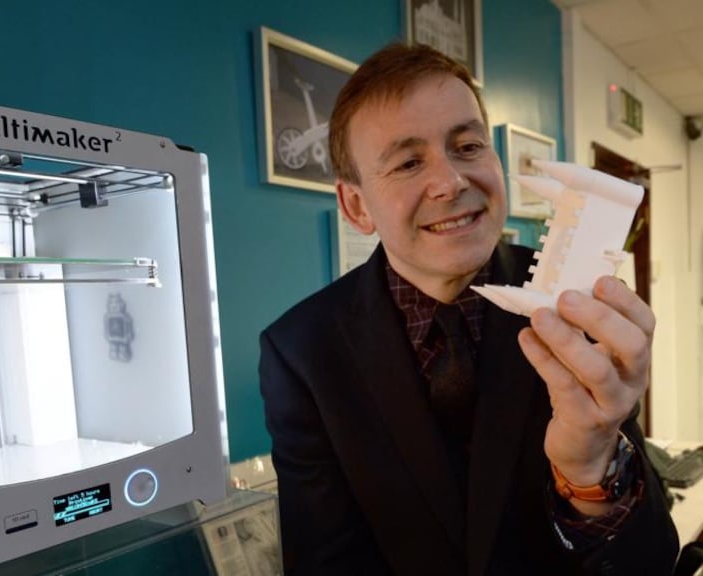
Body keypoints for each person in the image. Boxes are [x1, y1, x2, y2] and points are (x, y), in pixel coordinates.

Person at [258, 42, 678, 575]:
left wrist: (591, 466)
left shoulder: (577, 301)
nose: (452, 181)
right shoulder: (302, 351)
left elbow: (650, 562)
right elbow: (324, 562)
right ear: (356, 206)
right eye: (409, 162)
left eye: (468, 146)